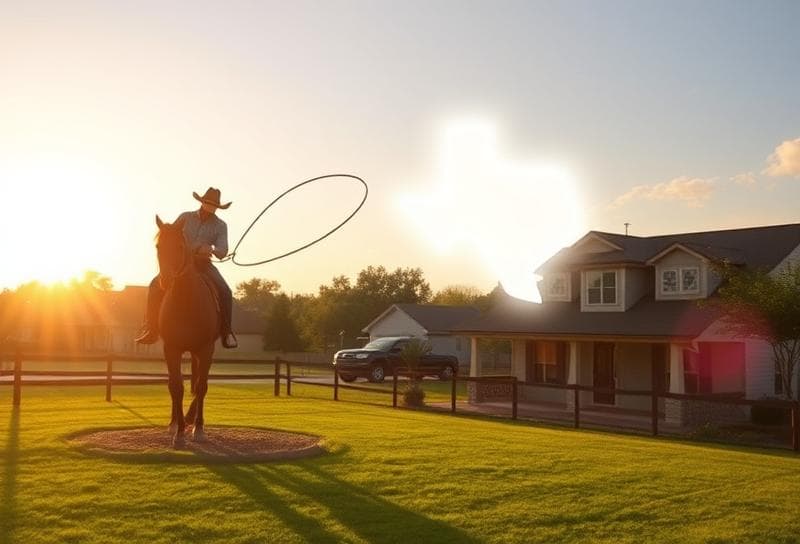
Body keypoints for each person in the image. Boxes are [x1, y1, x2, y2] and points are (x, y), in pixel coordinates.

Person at [135, 187, 238, 349]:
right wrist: (196, 247)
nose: (210, 207)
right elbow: (172, 236)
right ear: (202, 202)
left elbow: (223, 250)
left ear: (217, 207)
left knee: (225, 290)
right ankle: (151, 328)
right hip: (180, 264)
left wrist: (212, 249)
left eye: (214, 205)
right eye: (208, 203)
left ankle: (226, 332)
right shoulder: (185, 217)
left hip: (203, 265)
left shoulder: (220, 225)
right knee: (155, 285)